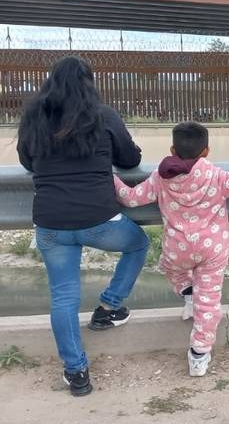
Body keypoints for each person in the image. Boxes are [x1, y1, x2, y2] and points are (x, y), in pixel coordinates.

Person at [16, 56, 149, 397]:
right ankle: (108, 307)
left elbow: (27, 160)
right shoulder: (103, 115)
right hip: (100, 220)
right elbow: (130, 159)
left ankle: (77, 373)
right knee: (138, 245)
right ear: (90, 84)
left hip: (51, 224)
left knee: (63, 297)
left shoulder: (34, 117)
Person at [113, 121, 229, 377]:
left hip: (177, 247)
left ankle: (188, 292)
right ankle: (199, 355)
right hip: (212, 249)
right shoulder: (216, 175)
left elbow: (131, 198)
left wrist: (110, 178)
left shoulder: (160, 176)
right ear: (206, 152)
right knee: (209, 301)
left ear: (171, 147)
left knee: (170, 268)